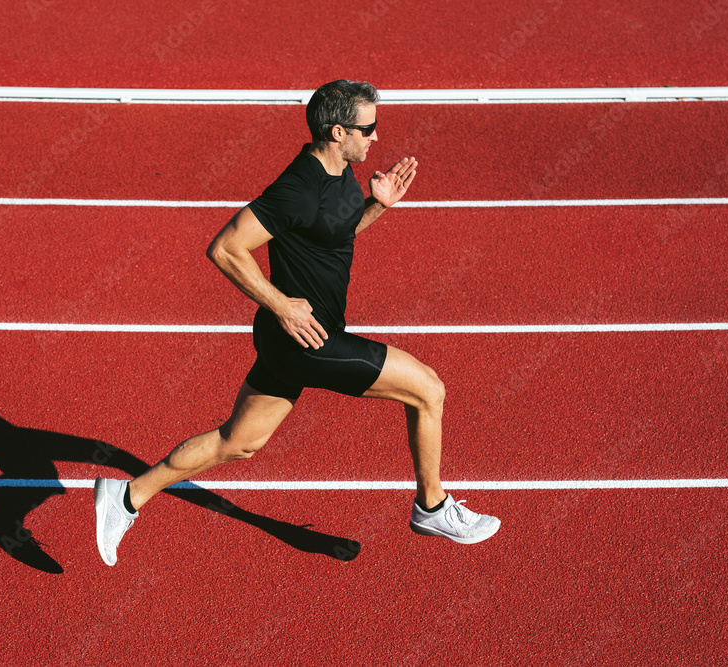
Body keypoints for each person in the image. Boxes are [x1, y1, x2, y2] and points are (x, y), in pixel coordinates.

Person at [94, 80, 499, 566]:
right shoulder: (297, 188)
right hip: (306, 340)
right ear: (336, 130)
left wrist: (375, 207)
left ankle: (124, 496)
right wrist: (282, 304)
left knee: (236, 443)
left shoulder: (342, 172)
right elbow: (224, 248)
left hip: (292, 341)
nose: (375, 138)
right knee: (428, 390)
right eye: (367, 129)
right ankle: (431, 505)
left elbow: (332, 235)